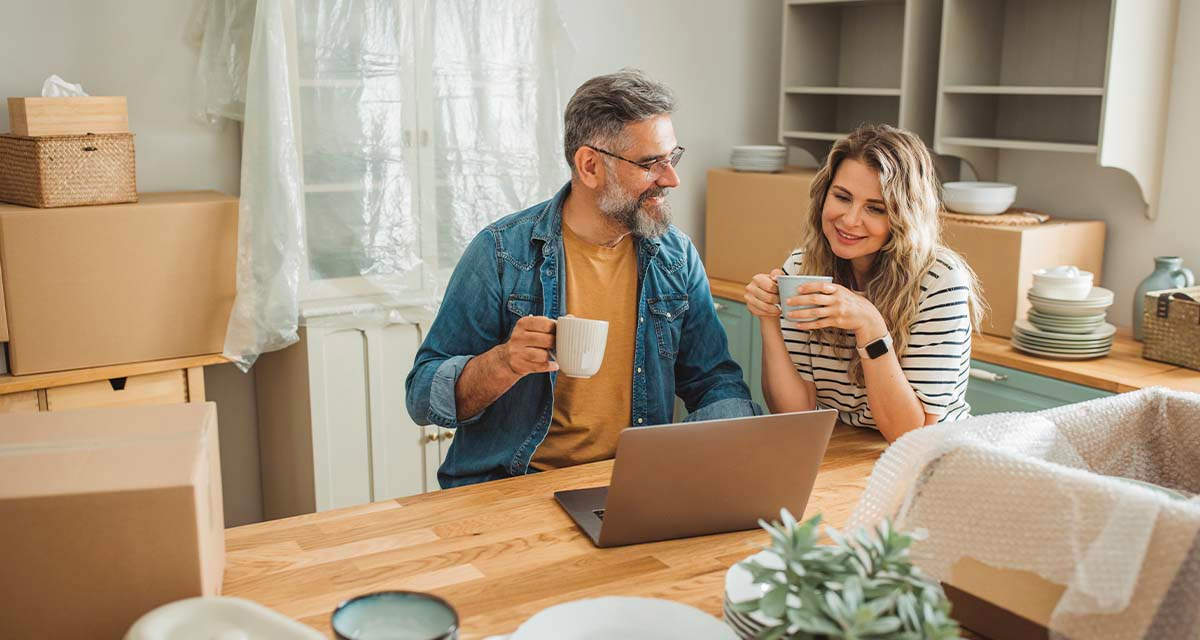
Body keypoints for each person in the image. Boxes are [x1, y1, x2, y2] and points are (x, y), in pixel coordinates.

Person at [406, 69, 758, 488]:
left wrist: (708, 456)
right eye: (651, 164)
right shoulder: (501, 252)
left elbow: (714, 380)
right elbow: (422, 396)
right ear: (590, 166)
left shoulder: (675, 255)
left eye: (672, 158)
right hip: (513, 484)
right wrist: (503, 363)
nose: (672, 178)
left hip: (630, 484)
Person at [744, 124, 983, 442]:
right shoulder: (802, 267)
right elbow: (794, 413)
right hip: (845, 448)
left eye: (875, 208)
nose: (850, 219)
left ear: (904, 216)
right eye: (842, 197)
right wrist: (769, 320)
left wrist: (870, 325)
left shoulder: (940, 281)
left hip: (929, 452)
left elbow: (910, 433)